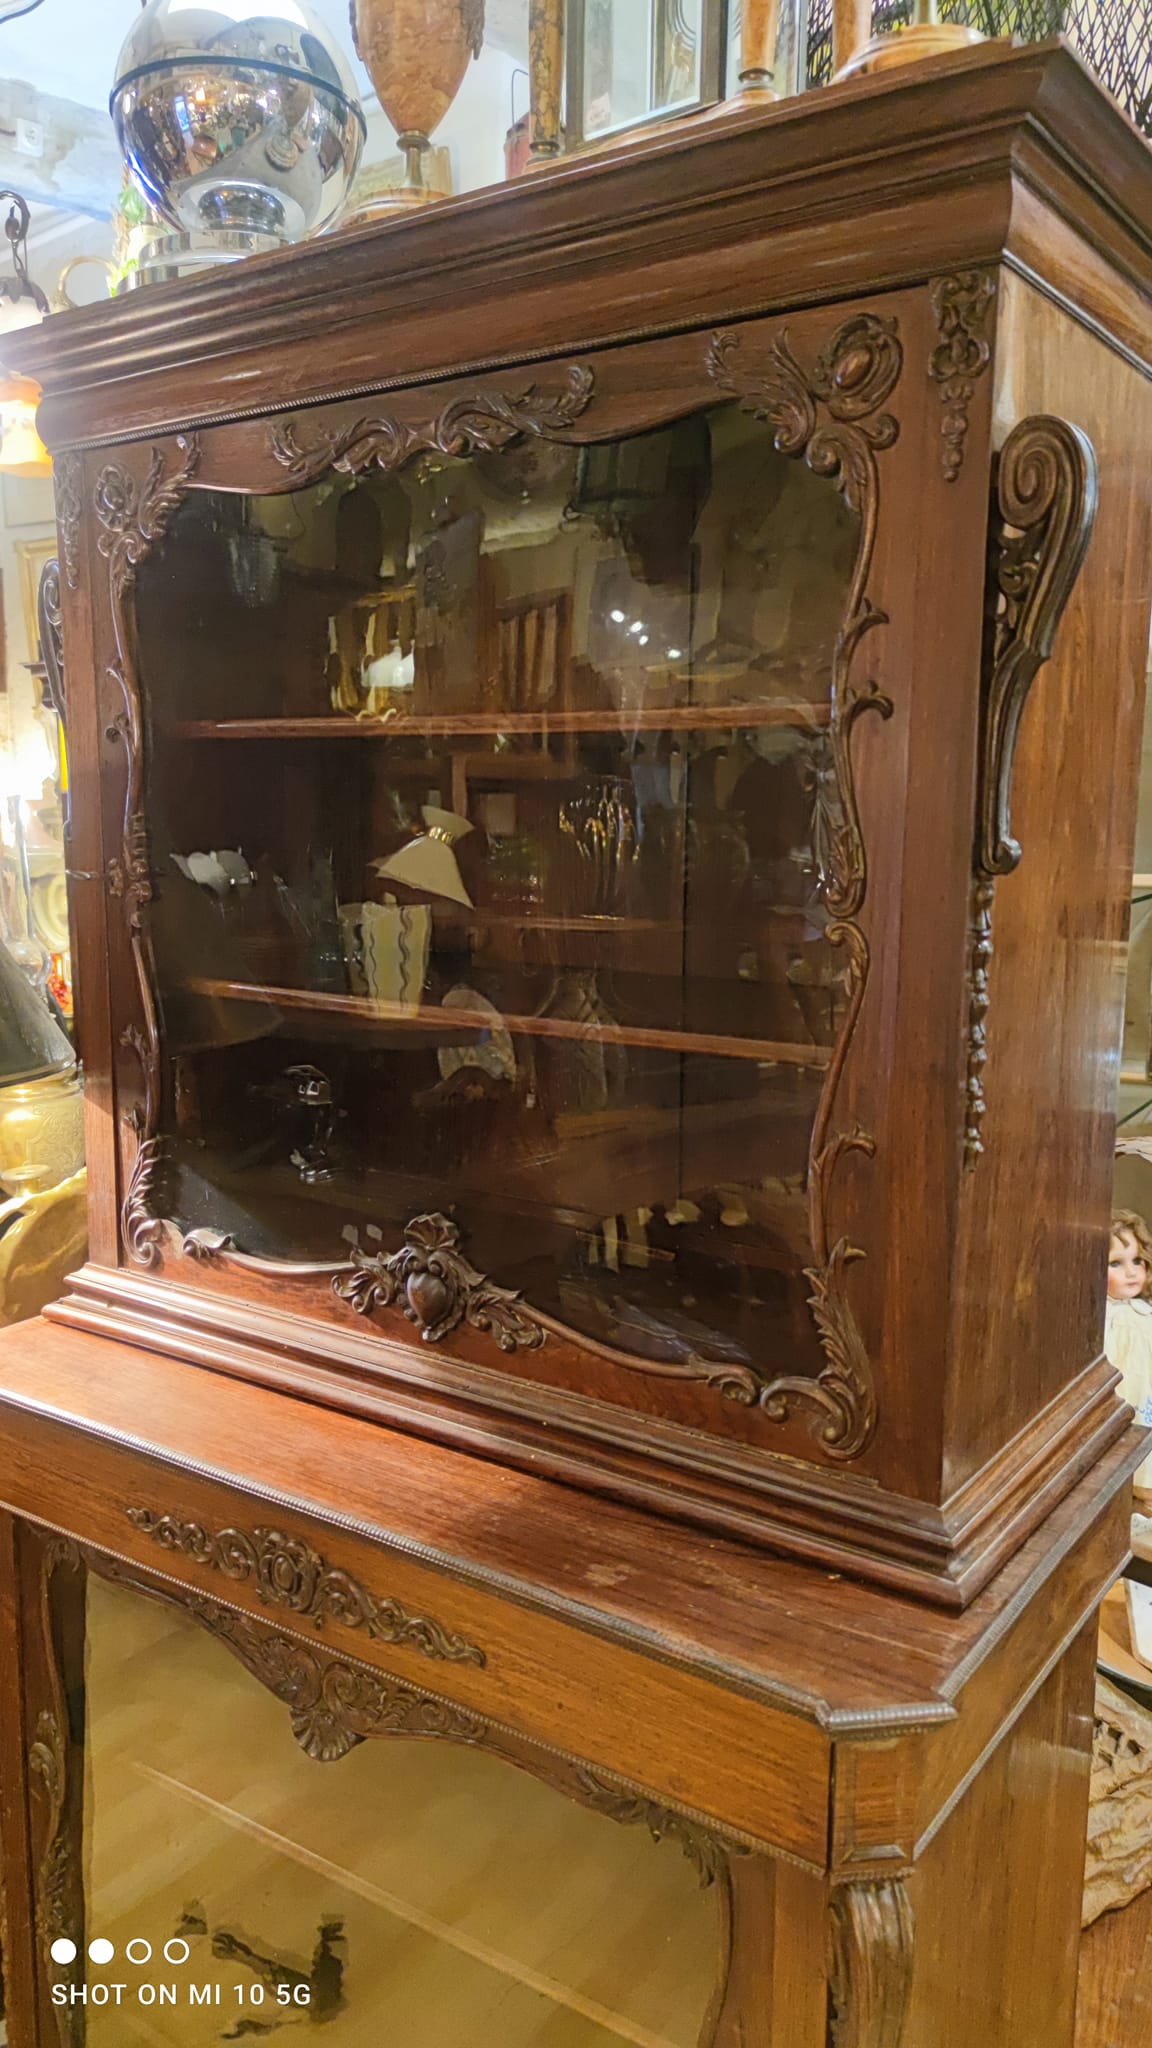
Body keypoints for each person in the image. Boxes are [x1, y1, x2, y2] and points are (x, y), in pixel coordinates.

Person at [1105, 1208, 1152, 1504]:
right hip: (1128, 1389)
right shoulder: (1110, 1316)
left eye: (1137, 1261)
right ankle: (1138, 1483)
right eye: (1116, 1264)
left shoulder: (1142, 1310)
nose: (1132, 1271)